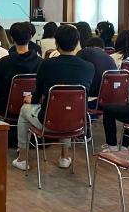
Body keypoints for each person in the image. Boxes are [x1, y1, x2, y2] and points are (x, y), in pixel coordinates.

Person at [11, 24, 94, 171]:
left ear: (56, 43)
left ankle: (22, 159)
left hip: (48, 122)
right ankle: (64, 157)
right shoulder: (89, 67)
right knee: (68, 107)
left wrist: (32, 99)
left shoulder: (47, 64)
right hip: (78, 122)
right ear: (77, 43)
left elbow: (37, 95)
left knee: (24, 109)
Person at [0, 23, 42, 146]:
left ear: (12, 38)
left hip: (6, 108)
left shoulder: (3, 62)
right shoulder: (41, 63)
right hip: (33, 107)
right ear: (30, 38)